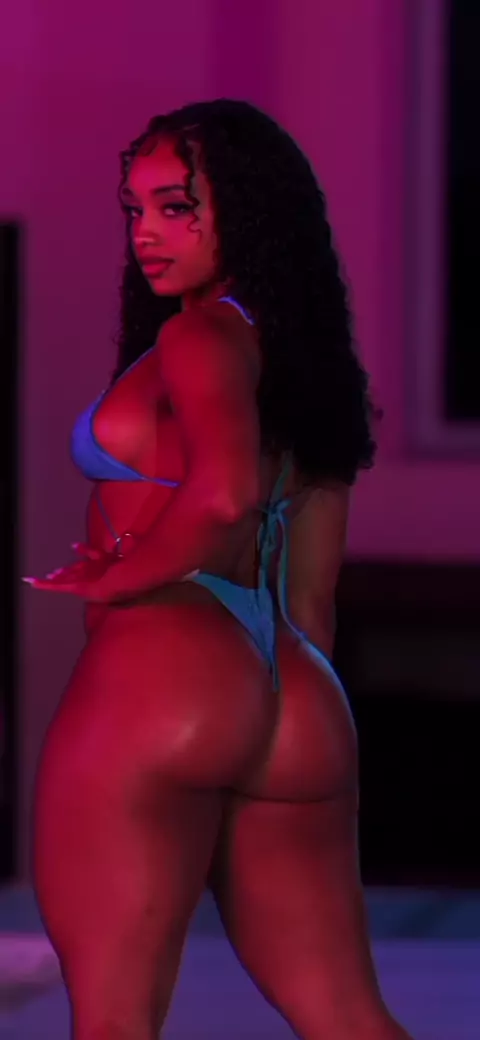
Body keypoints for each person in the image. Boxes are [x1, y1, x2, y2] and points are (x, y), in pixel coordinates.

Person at [27, 100, 413, 1040]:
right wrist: (262, 711)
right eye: (136, 209)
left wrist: (116, 582)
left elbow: (224, 494)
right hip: (294, 692)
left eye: (177, 207)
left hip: (168, 666)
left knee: (114, 1024)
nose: (146, 234)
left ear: (247, 208)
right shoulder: (307, 370)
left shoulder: (199, 337)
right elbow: (310, 595)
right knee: (351, 1020)